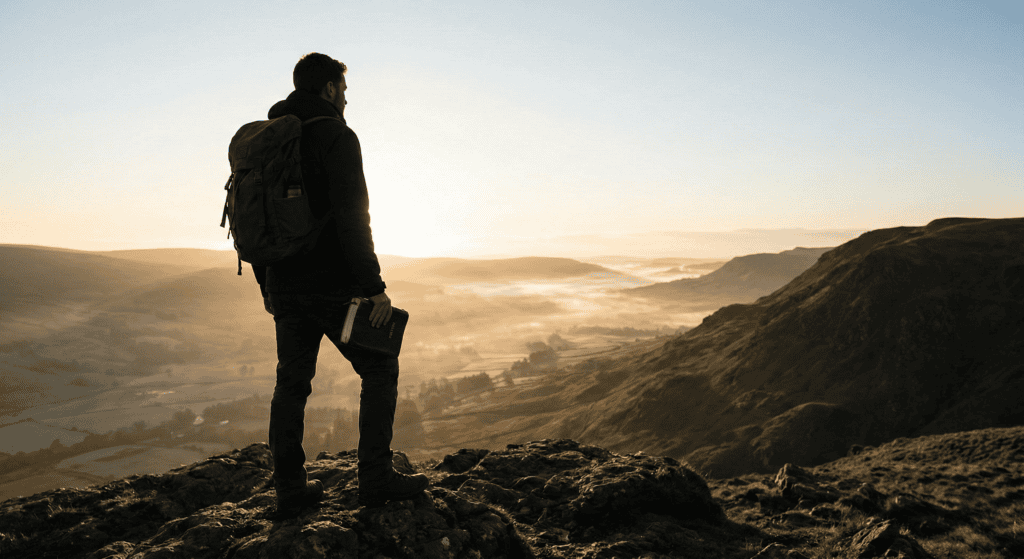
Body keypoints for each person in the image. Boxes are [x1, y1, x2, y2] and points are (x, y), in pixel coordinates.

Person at [252, 52, 428, 515]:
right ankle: (375, 478)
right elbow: (354, 218)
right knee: (379, 367)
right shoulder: (336, 136)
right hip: (333, 285)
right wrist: (374, 288)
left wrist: (270, 288)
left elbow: (255, 224)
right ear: (329, 89)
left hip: (283, 284)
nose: (347, 100)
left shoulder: (267, 142)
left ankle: (289, 490)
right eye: (344, 91)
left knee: (291, 386)